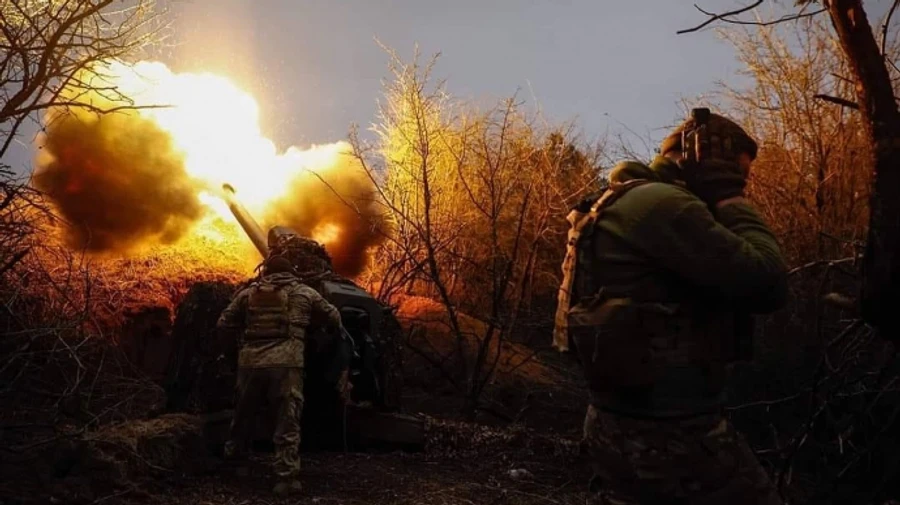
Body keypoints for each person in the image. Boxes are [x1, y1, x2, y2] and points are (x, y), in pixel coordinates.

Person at [556, 110, 788, 504]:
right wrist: (730, 199)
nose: (743, 184)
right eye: (739, 173)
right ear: (705, 158)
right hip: (670, 433)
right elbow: (768, 283)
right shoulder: (663, 205)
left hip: (616, 420)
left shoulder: (619, 200)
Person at [217, 255, 343, 496]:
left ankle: (236, 465)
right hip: (287, 364)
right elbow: (334, 317)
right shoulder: (304, 293)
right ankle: (285, 479)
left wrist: (239, 343)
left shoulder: (248, 294)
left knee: (243, 415)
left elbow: (223, 323)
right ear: (291, 272)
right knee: (287, 420)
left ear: (266, 272)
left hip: (250, 363)